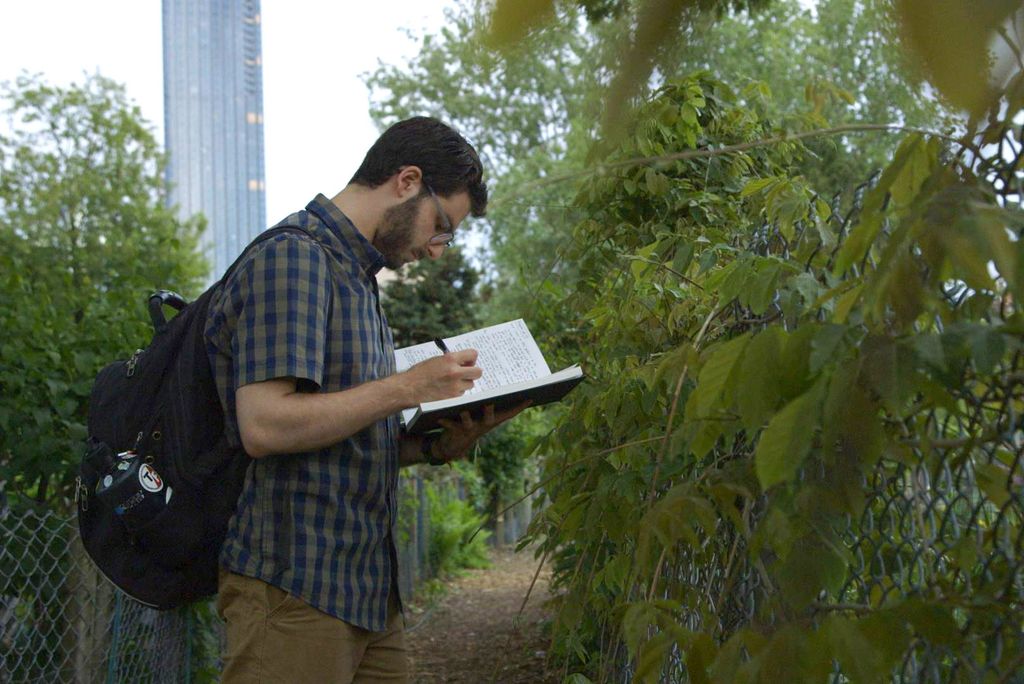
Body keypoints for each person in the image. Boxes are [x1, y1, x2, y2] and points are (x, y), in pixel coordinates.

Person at [205, 117, 526, 683]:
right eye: (442, 226)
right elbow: (265, 426)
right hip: (293, 590)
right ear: (407, 181)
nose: (437, 250)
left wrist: (431, 447)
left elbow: (341, 434)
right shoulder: (296, 257)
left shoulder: (358, 279)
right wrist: (409, 386)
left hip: (368, 591)